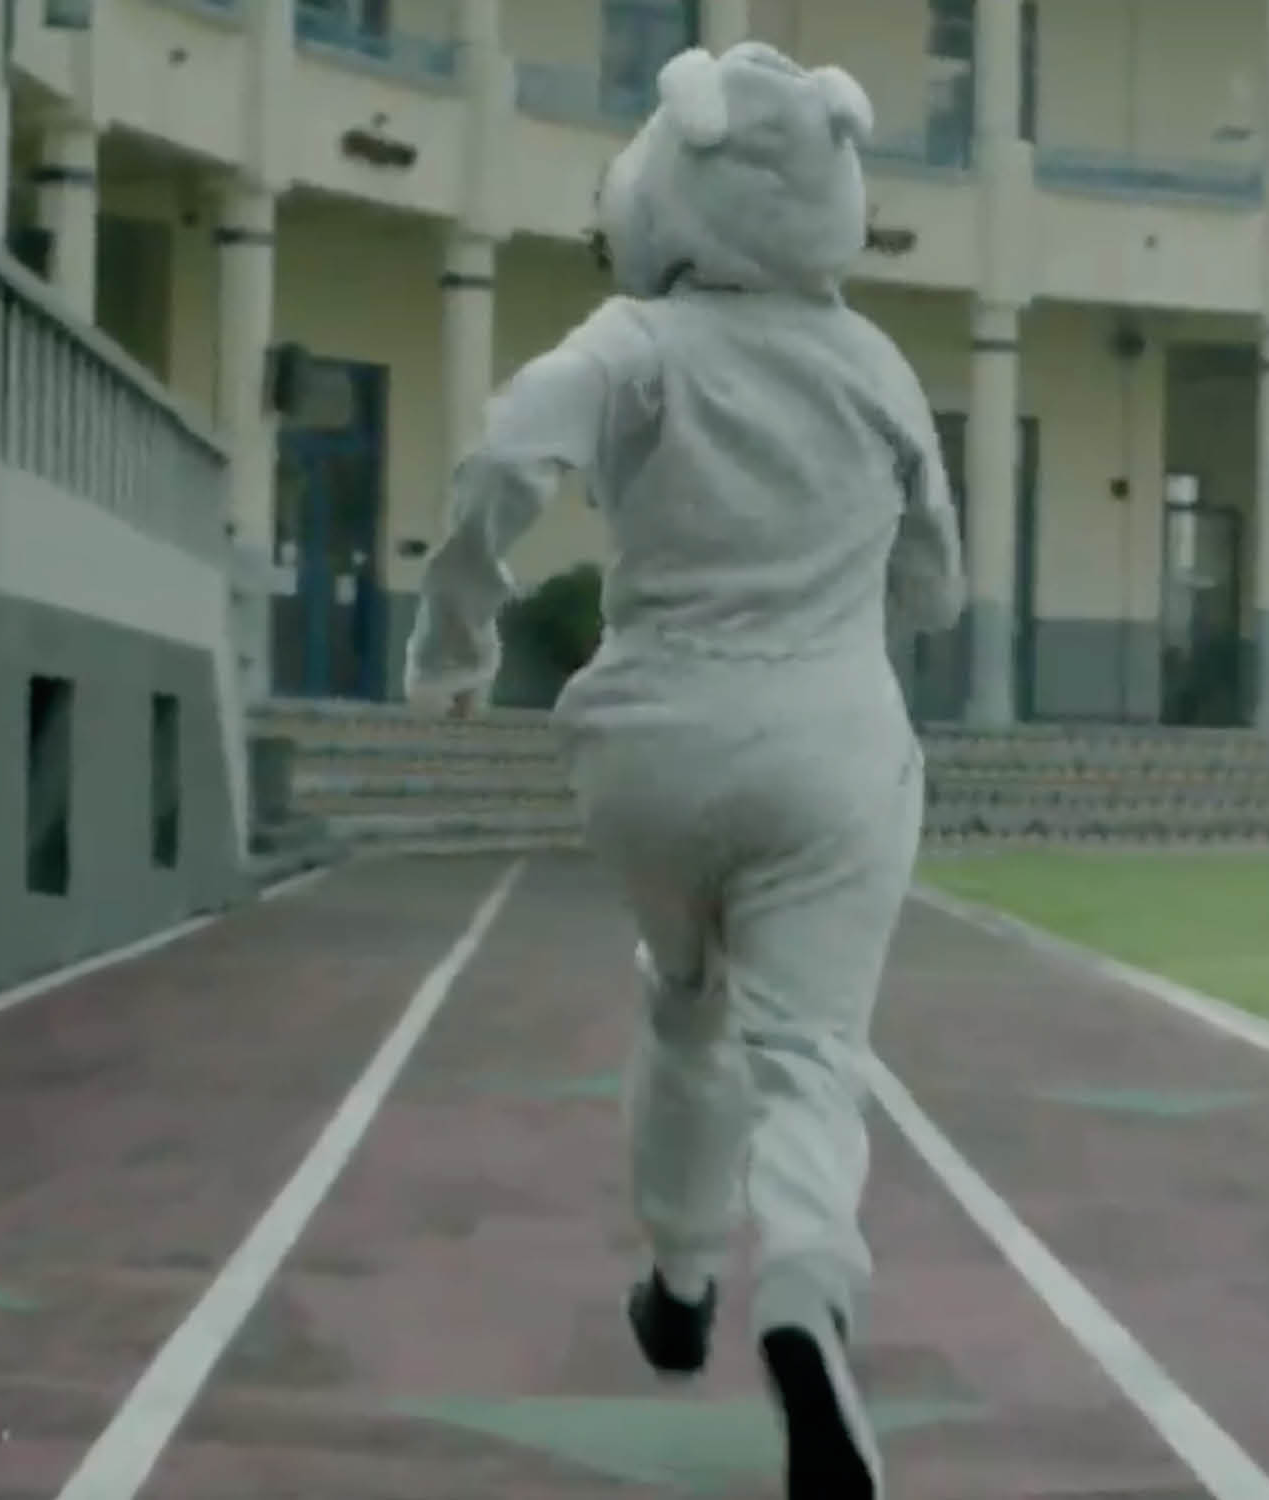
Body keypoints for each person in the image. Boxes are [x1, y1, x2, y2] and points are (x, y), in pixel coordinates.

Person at [400, 40, 960, 1500]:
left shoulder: (638, 343)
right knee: (809, 1054)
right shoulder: (879, 370)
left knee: (685, 994)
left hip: (651, 747)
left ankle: (681, 1277)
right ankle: (805, 1289)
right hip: (830, 747)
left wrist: (456, 639)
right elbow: (937, 584)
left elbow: (506, 452)